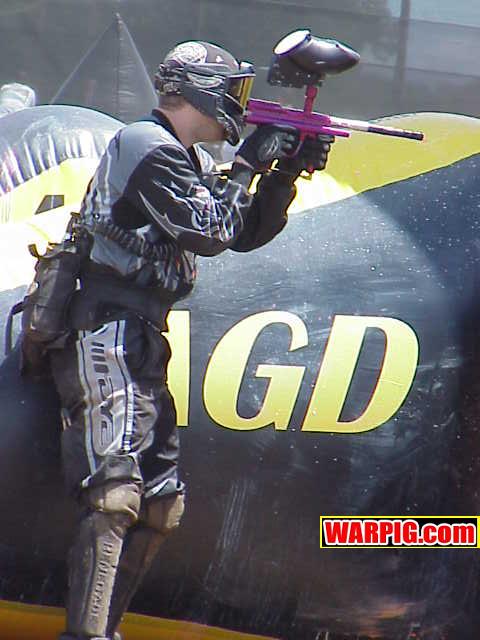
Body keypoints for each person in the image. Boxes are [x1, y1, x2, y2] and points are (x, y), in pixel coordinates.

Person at [50, 40, 333, 640]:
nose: (239, 105)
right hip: (106, 327)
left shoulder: (184, 158)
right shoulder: (145, 145)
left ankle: (107, 628)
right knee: (115, 495)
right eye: (231, 92)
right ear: (201, 92)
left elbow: (242, 232)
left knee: (160, 505)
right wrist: (248, 165)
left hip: (143, 335)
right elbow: (207, 230)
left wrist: (284, 174)